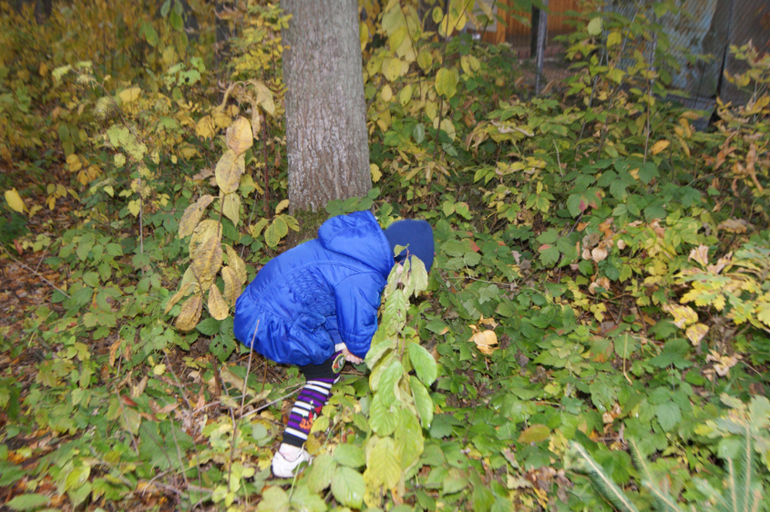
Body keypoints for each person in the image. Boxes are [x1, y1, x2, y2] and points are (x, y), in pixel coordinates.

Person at [233, 210, 434, 477]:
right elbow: (360, 337)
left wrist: (341, 343)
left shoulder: (356, 248)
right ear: (402, 266)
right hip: (271, 322)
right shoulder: (364, 275)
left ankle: (321, 383)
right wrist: (361, 350)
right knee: (324, 373)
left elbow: (329, 305)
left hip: (260, 304)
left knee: (332, 354)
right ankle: (289, 457)